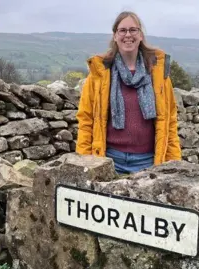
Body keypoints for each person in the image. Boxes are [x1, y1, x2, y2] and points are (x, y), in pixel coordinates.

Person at [75, 11, 181, 174]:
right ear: (115, 36)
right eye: (122, 30)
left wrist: (174, 162)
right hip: (109, 160)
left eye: (133, 30)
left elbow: (170, 119)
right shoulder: (100, 74)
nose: (128, 35)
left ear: (140, 35)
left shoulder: (158, 73)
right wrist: (84, 161)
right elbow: (86, 119)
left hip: (149, 161)